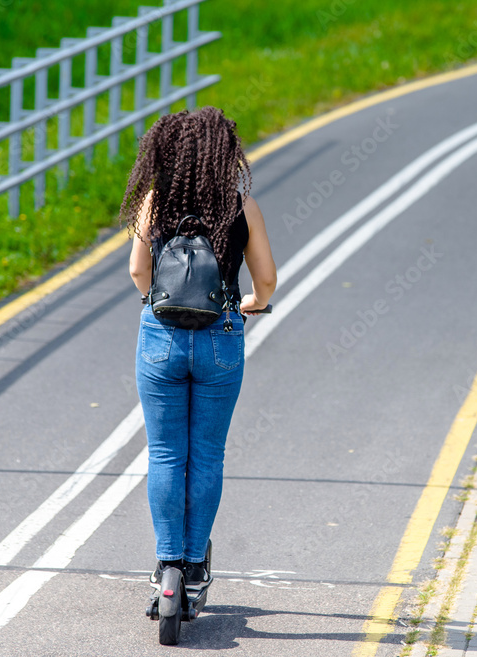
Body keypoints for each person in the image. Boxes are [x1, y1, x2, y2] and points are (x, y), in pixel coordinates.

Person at [121, 106, 277, 594]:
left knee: (166, 452)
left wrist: (155, 306)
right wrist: (251, 303)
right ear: (223, 153)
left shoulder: (156, 202)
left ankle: (166, 560)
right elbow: (266, 280)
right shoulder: (240, 206)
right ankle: (193, 566)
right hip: (221, 338)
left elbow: (138, 272)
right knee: (207, 453)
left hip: (162, 336)